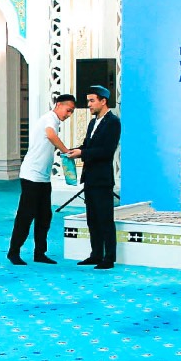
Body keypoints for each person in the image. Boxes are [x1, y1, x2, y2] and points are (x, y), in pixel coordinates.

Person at [9, 93, 77, 266]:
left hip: (43, 178)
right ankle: (13, 252)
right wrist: (66, 151)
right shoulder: (50, 119)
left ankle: (40, 252)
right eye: (68, 110)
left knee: (44, 216)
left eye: (71, 112)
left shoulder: (54, 121)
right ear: (59, 105)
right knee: (26, 215)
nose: (69, 115)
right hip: (31, 176)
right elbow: (50, 135)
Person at [70, 84, 121, 270]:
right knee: (92, 219)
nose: (89, 105)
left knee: (105, 219)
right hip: (90, 178)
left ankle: (109, 258)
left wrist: (82, 153)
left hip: (102, 179)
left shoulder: (113, 122)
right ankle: (96, 254)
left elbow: (106, 151)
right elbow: (87, 146)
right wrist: (74, 151)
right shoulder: (93, 123)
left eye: (92, 101)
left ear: (103, 101)